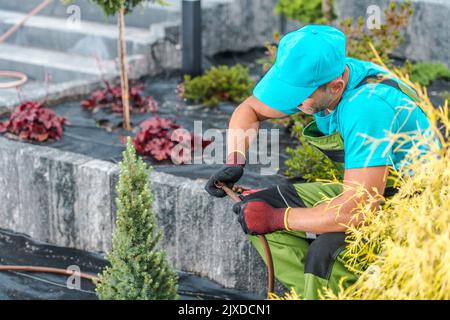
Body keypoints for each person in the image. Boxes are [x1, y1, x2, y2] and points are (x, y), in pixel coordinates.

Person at [205, 25, 432, 299]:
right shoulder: (322, 81)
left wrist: (278, 218)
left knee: (327, 254)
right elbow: (250, 109)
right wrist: (235, 161)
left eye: (298, 97)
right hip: (372, 190)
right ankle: (317, 293)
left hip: (415, 209)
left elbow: (356, 211)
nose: (292, 103)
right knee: (255, 210)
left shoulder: (366, 106)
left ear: (336, 87)